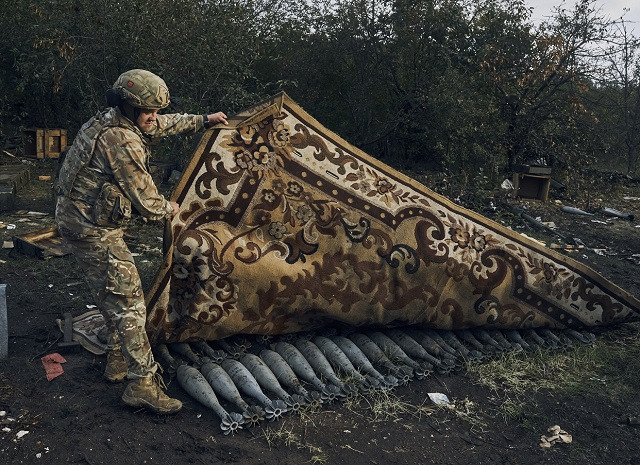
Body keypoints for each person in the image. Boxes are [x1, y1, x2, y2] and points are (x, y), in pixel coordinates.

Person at [55, 69, 228, 414]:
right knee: (130, 301)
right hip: (91, 227)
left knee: (111, 292)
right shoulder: (121, 140)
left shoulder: (116, 120)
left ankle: (118, 360)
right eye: (147, 111)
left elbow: (161, 124)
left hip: (80, 218)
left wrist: (203, 120)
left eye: (156, 110)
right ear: (129, 108)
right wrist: (169, 207)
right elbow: (147, 202)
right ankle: (142, 384)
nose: (154, 117)